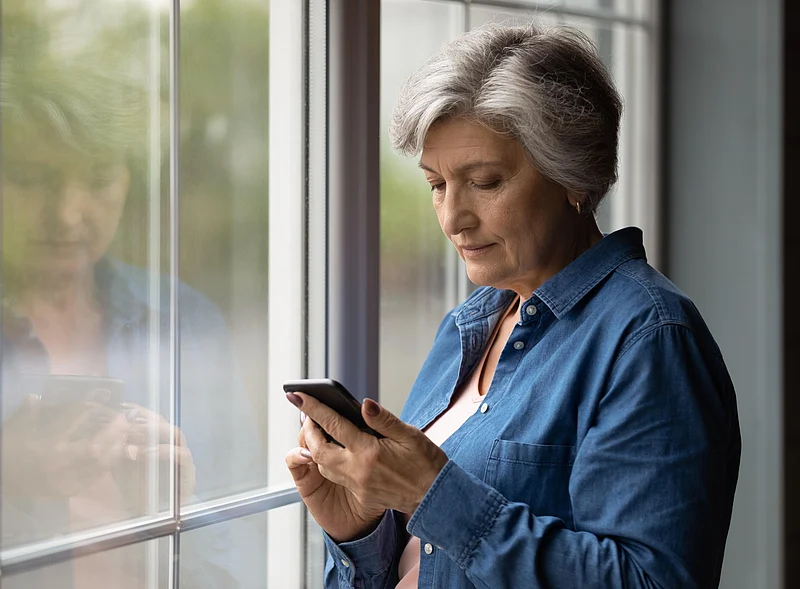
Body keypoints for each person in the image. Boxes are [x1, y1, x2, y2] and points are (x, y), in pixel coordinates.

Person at [286, 23, 741, 589]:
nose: (453, 218)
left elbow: (651, 582)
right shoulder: (465, 329)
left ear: (571, 174)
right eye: (436, 185)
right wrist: (362, 531)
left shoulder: (648, 338)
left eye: (485, 182)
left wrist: (432, 493)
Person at [0, 7, 264, 588]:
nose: (67, 214)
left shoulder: (185, 319)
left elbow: (240, 532)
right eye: (31, 177)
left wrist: (178, 508)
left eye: (96, 178)